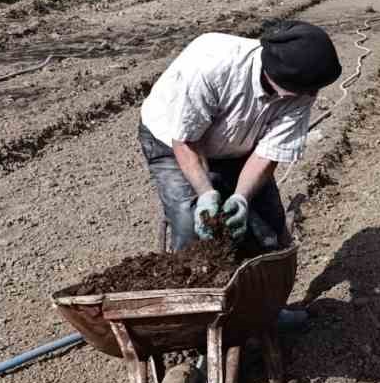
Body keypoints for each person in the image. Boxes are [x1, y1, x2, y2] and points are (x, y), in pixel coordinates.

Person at [138, 20, 341, 310]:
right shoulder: (212, 68)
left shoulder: (302, 89)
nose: (312, 97)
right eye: (306, 91)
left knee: (269, 229)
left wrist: (242, 197)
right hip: (173, 142)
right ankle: (193, 319)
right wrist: (206, 193)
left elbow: (267, 154)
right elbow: (185, 142)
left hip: (241, 144)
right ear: (277, 77)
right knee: (190, 224)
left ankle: (267, 314)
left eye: (313, 90)